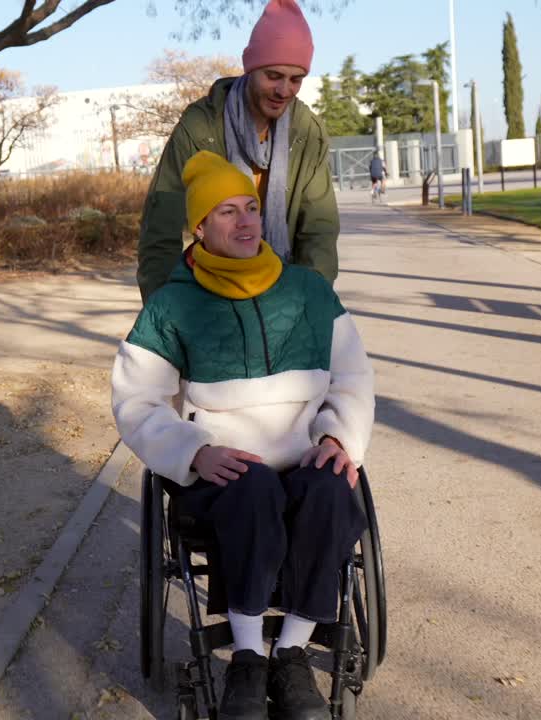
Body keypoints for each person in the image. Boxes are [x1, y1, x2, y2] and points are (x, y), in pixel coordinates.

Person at [112, 151, 375, 720]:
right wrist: (195, 452)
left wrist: (337, 438)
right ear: (201, 227)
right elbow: (136, 400)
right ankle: (250, 655)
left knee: (332, 487)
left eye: (250, 207)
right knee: (251, 487)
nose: (245, 221)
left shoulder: (308, 291)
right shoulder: (172, 306)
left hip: (304, 454)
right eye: (226, 212)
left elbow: (352, 377)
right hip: (222, 470)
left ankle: (293, 652)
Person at [135, 0, 339, 301]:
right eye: (273, 76)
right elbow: (160, 230)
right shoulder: (200, 127)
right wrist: (166, 316)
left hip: (285, 290)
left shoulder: (308, 133)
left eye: (296, 79)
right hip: (211, 292)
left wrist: (310, 306)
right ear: (251, 68)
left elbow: (318, 232)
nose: (285, 90)